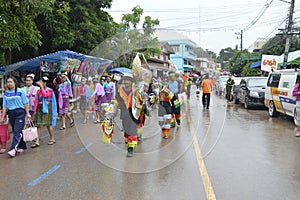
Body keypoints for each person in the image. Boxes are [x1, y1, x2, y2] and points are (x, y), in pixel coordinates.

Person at [0, 76, 31, 157]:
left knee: (17, 131)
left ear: (14, 83)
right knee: (16, 130)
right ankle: (23, 146)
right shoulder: (6, 93)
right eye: (8, 82)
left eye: (11, 82)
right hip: (11, 113)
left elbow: (25, 103)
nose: (9, 83)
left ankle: (13, 149)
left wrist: (27, 113)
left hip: (20, 112)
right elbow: (4, 106)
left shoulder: (20, 91)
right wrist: (3, 117)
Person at [114, 73, 140, 157]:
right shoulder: (119, 91)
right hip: (124, 114)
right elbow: (116, 101)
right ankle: (129, 141)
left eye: (128, 80)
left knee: (132, 131)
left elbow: (140, 100)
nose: (125, 82)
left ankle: (130, 150)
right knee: (126, 130)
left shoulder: (136, 91)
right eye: (124, 80)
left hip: (133, 115)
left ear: (131, 81)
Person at [31, 74, 57, 147]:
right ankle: (37, 141)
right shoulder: (38, 91)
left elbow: (45, 95)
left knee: (48, 124)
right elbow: (36, 100)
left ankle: (52, 138)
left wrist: (42, 87)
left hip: (47, 108)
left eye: (42, 82)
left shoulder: (50, 90)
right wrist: (35, 110)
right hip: (40, 108)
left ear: (45, 83)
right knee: (38, 125)